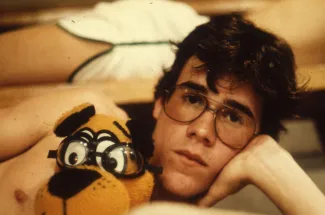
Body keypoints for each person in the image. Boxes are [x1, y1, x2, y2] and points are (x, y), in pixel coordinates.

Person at [0, 14, 325, 215]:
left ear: (255, 141)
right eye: (193, 99)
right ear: (160, 103)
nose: (202, 130)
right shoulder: (85, 113)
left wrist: (276, 166)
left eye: (233, 117)